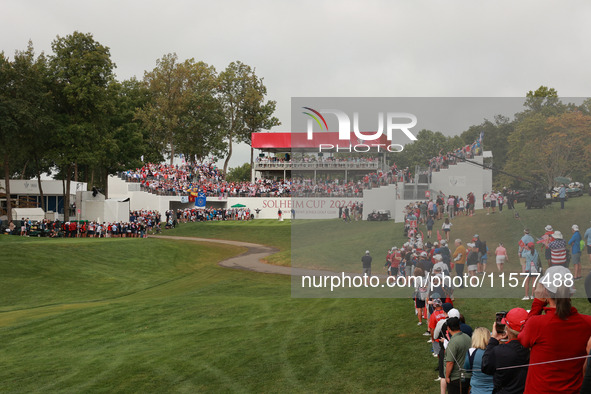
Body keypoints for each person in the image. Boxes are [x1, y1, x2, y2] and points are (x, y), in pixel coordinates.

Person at [519, 266, 591, 393]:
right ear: (571, 292)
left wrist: (537, 303)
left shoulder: (537, 324)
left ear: (545, 292)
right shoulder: (588, 323)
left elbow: (523, 338)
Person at [482, 308, 530, 393]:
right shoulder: (536, 347)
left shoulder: (500, 351)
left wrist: (494, 339)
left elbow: (485, 366)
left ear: (507, 328)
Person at [463, 327, 494, 394]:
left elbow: (466, 369)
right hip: (493, 390)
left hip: (476, 390)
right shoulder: (495, 351)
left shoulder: (471, 352)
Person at [444, 317, 472, 394]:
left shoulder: (453, 342)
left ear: (448, 328)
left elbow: (450, 362)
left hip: (456, 378)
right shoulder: (467, 337)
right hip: (468, 376)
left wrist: (447, 376)